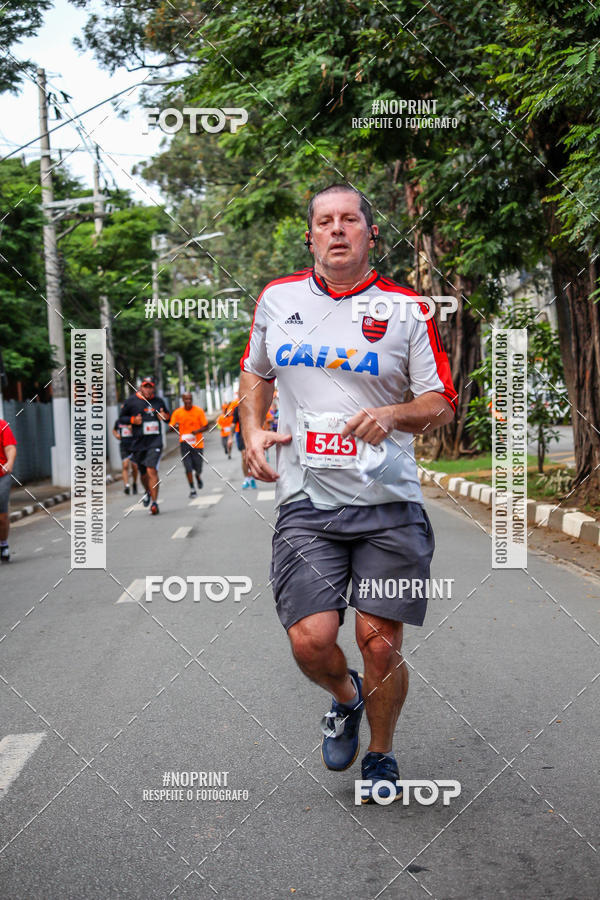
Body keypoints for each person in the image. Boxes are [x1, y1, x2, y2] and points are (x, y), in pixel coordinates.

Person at [239, 183, 457, 803]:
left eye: (350, 220)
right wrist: (253, 428)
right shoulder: (278, 300)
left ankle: (381, 757)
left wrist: (392, 414)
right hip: (308, 504)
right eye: (325, 221)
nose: (337, 229)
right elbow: (257, 371)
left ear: (370, 233)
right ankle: (345, 698)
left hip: (389, 504)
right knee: (311, 639)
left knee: (379, 642)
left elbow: (440, 401)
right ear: (310, 235)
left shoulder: (407, 309)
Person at [118, 377, 170, 515]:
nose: (147, 389)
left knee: (151, 469)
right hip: (138, 443)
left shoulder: (158, 401)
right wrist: (132, 420)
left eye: (150, 387)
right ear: (141, 387)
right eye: (145, 387)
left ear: (153, 388)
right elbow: (120, 419)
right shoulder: (131, 402)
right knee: (143, 473)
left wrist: (164, 416)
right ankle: (147, 491)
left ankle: (154, 503)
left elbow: (168, 417)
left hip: (155, 442)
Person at [169, 393, 208, 497]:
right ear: (182, 400)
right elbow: (171, 427)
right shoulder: (177, 412)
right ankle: (192, 488)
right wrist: (175, 426)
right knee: (188, 467)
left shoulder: (198, 411)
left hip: (198, 444)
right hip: (184, 444)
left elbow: (206, 426)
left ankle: (198, 476)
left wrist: (197, 431)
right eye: (186, 399)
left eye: (190, 398)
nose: (188, 401)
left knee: (198, 467)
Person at [0, 419, 17, 563]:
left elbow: (10, 448)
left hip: (2, 475)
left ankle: (3, 544)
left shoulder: (2, 425)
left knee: (2, 517)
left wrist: (9, 462)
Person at [232, 400, 255, 489]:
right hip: (241, 436)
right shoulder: (237, 409)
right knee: (244, 457)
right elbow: (233, 424)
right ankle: (247, 479)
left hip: (252, 435)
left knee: (251, 457)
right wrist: (230, 437)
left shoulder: (253, 408)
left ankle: (252, 476)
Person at [112, 418, 138, 495]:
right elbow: (114, 430)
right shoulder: (119, 421)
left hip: (134, 445)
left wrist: (132, 429)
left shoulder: (134, 419)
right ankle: (126, 486)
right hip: (124, 446)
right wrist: (116, 435)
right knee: (125, 465)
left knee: (134, 466)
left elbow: (140, 431)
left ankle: (134, 483)